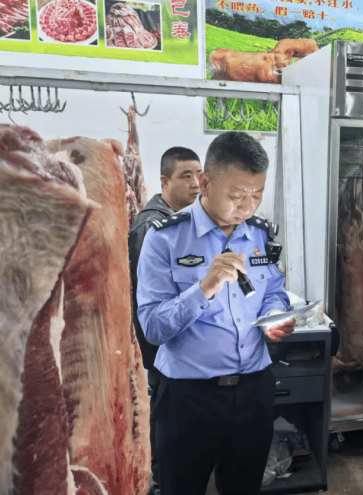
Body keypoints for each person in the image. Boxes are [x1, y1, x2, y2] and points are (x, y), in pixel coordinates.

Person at [136, 131, 295, 495]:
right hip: (188, 397)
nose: (247, 207)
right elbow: (153, 328)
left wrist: (275, 316)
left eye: (257, 195)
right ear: (205, 182)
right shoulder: (164, 238)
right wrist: (204, 287)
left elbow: (273, 291)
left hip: (253, 391)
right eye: (236, 195)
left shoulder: (261, 234)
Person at [128, 146, 201, 494]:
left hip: (177, 341)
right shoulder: (152, 227)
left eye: (199, 174)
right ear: (164, 181)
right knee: (165, 419)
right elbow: (153, 299)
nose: (196, 183)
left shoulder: (184, 220)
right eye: (186, 176)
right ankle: (160, 481)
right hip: (162, 345)